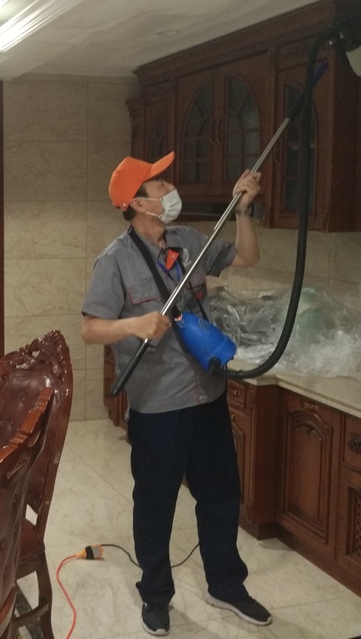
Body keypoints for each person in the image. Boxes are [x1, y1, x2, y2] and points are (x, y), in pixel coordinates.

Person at [80, 151, 269, 636]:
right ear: (138, 203)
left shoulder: (189, 242)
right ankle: (156, 594)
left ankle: (226, 585)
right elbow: (90, 329)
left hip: (207, 394)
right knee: (156, 504)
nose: (170, 189)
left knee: (221, 496)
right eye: (159, 185)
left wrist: (244, 211)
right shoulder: (115, 261)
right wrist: (134, 324)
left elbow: (247, 256)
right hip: (159, 406)